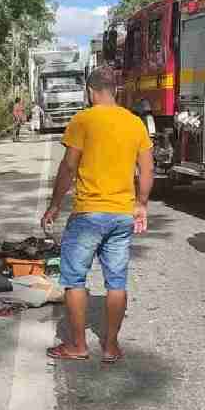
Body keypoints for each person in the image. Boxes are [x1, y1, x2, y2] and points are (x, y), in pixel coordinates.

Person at [41, 69, 153, 363]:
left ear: (90, 91)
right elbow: (147, 170)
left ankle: (78, 346)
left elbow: (68, 167)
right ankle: (111, 346)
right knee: (116, 282)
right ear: (114, 89)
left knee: (75, 279)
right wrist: (141, 203)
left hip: (89, 214)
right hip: (121, 215)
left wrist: (54, 205)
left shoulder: (83, 120)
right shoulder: (135, 123)